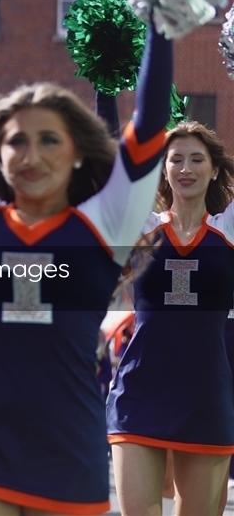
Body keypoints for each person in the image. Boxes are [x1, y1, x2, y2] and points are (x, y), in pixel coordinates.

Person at [0, 24, 171, 514]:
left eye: (50, 141)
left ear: (76, 154)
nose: (31, 156)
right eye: (16, 142)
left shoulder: (105, 223)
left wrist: (162, 23)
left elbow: (149, 131)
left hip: (68, 445)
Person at [106, 121, 234, 515]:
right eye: (175, 159)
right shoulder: (143, 230)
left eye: (197, 159)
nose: (185, 168)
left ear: (214, 169)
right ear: (162, 168)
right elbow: (112, 179)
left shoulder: (228, 229)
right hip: (139, 389)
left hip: (205, 394)